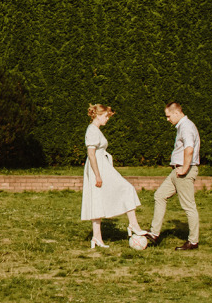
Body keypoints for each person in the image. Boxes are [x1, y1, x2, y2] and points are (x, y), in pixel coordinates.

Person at [81, 104, 146, 249]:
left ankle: (99, 236)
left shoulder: (96, 130)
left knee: (125, 189)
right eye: (105, 116)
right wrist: (97, 175)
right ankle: (130, 226)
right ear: (98, 115)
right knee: (123, 189)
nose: (107, 119)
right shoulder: (91, 130)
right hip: (98, 168)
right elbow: (91, 154)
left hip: (103, 166)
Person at [145, 101, 200, 251]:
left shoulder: (187, 127)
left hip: (184, 171)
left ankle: (193, 242)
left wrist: (185, 168)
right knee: (159, 195)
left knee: (188, 206)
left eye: (169, 116)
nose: (167, 119)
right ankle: (154, 233)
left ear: (177, 113)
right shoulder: (182, 126)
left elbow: (189, 149)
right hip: (177, 171)